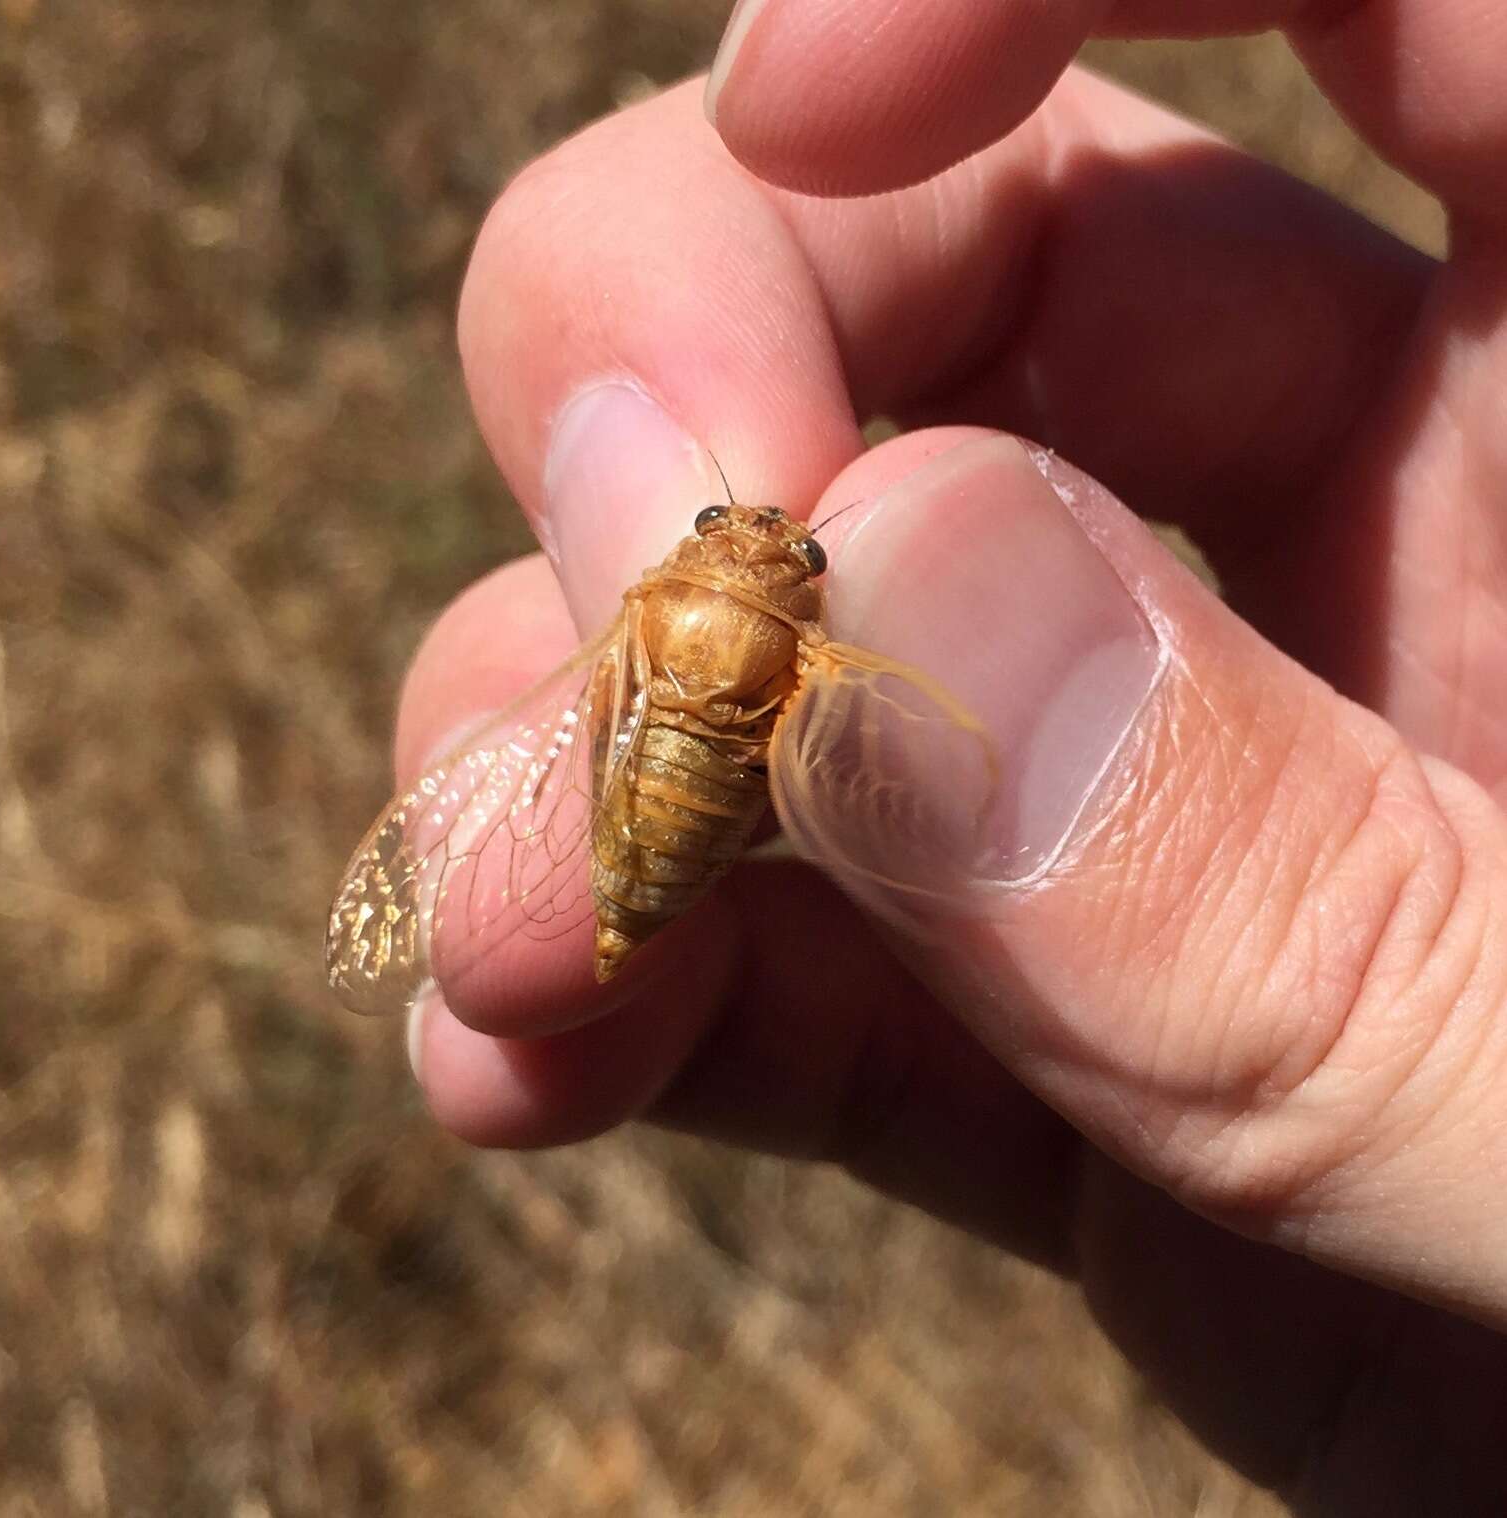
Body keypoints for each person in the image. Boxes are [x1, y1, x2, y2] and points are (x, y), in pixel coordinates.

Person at [400, 1, 1507, 1505]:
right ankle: (639, 868)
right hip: (673, 777)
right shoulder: (784, 629)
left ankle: (633, 875)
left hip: (662, 772)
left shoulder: (672, 608)